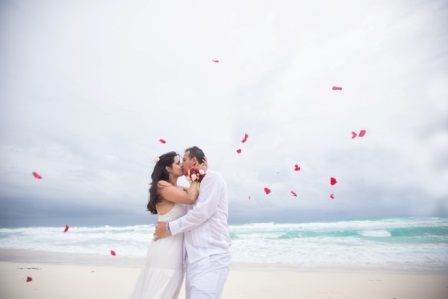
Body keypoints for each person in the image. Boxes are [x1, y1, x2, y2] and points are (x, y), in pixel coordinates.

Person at [154, 146, 231, 299]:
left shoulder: (211, 178)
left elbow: (201, 213)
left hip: (211, 257)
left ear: (194, 161)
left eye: (184, 160)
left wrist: (169, 228)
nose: (182, 164)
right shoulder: (193, 186)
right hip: (194, 261)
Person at [128, 151, 200, 299]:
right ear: (168, 168)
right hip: (166, 248)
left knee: (168, 288)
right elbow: (191, 197)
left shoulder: (177, 187)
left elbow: (195, 193)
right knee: (161, 289)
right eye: (177, 162)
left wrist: (193, 176)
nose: (181, 164)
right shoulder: (161, 186)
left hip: (174, 247)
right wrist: (197, 175)